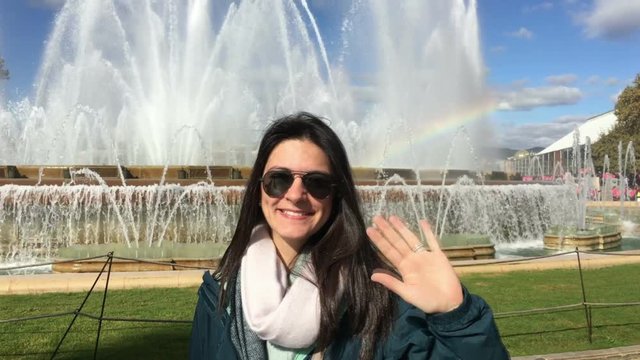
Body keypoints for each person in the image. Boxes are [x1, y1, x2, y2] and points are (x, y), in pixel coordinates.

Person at [189, 112, 509, 359]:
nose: (296, 194)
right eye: (279, 179)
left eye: (316, 182)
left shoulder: (377, 300)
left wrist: (457, 317)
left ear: (336, 195)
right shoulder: (220, 295)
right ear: (258, 189)